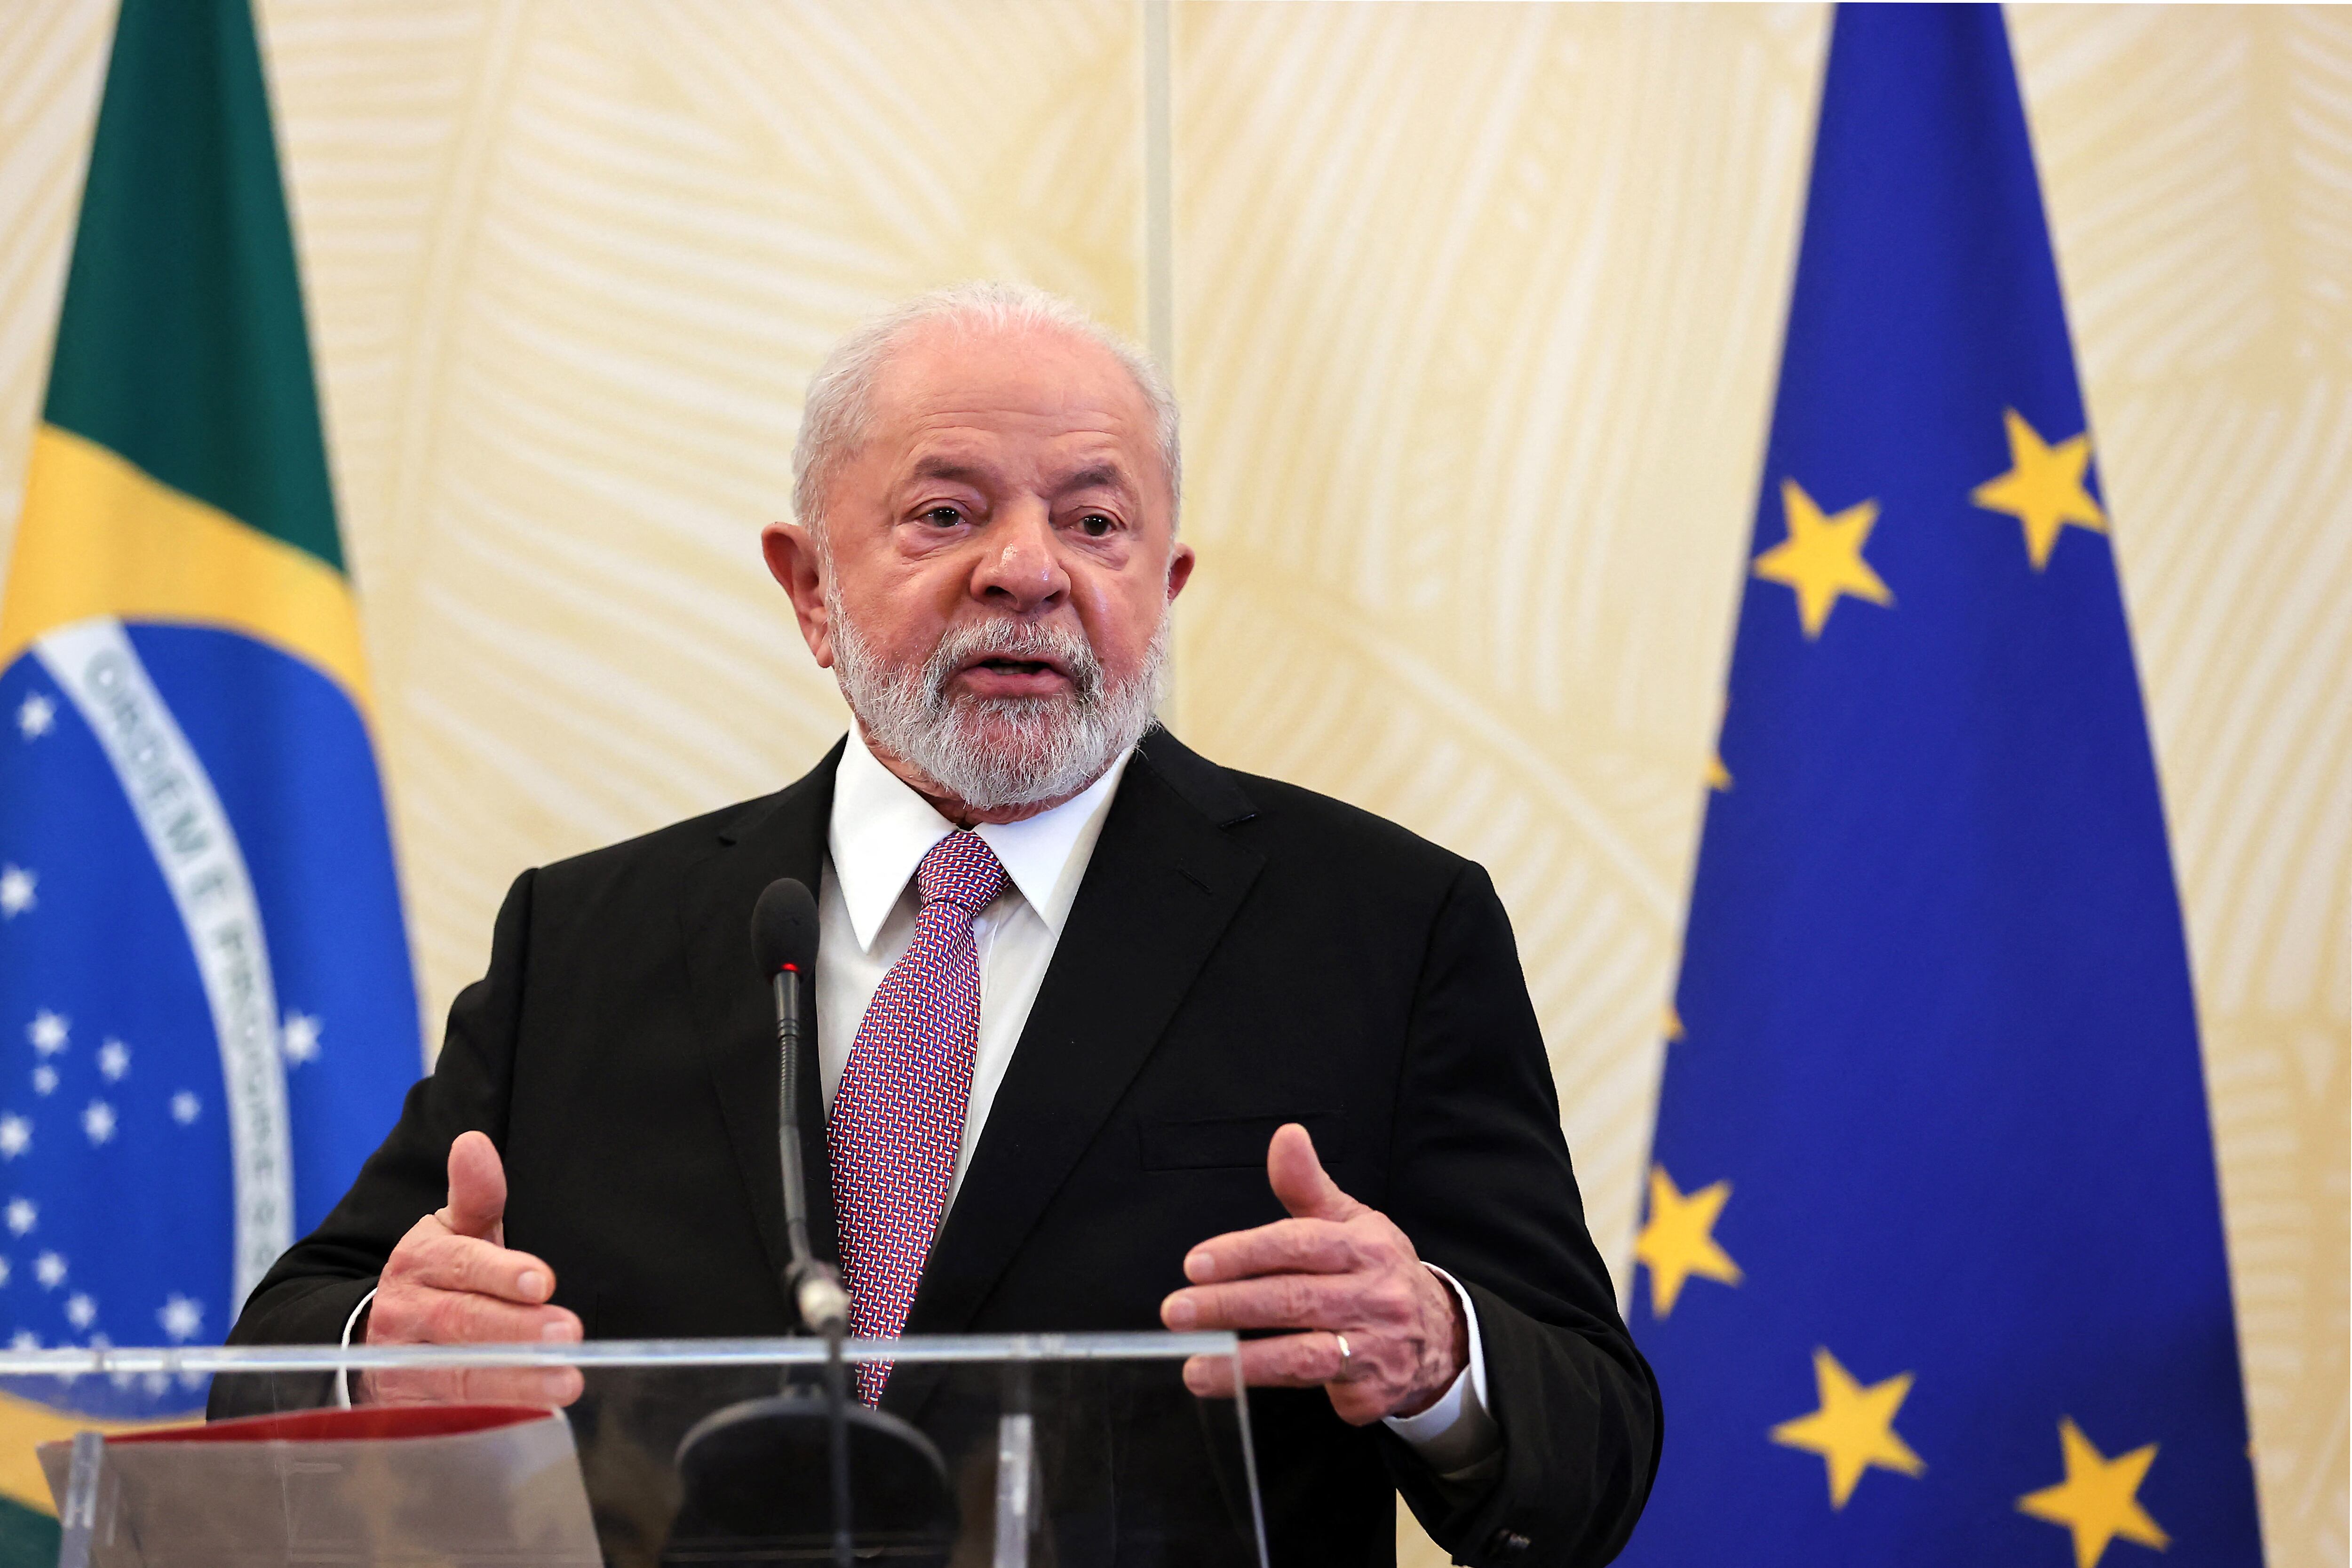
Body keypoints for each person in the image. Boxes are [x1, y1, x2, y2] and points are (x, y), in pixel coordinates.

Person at [216, 283, 1660, 1567]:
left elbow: (1591, 1455)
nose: (1029, 570)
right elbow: (278, 1353)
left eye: (1096, 522)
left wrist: (1437, 1352)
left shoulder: (1385, 926)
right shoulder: (591, 936)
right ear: (811, 590)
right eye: (948, 513)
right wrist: (375, 1354)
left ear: (1162, 594)